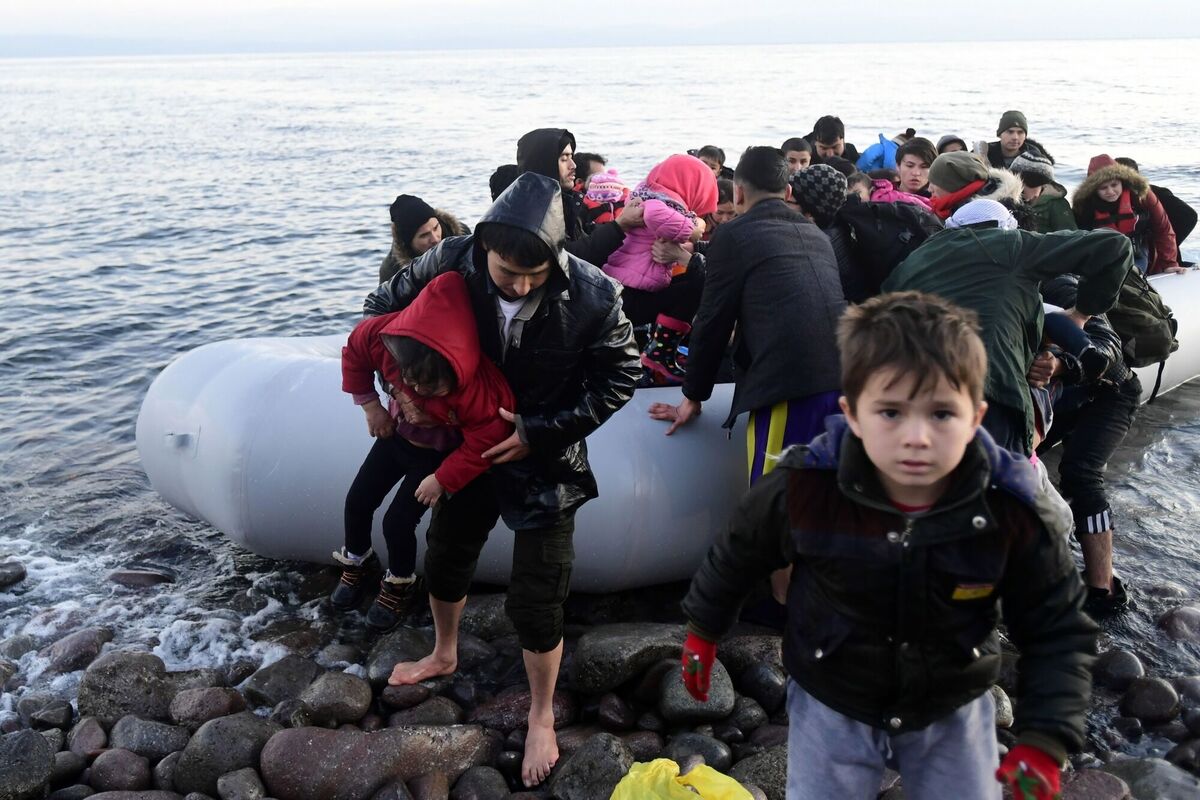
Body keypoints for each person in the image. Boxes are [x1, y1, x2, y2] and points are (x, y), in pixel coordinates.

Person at [679, 291, 1098, 800]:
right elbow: (739, 552)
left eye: (942, 413)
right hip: (833, 694)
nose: (916, 436)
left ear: (976, 415)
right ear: (852, 414)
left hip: (952, 700)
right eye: (891, 412)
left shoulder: (1009, 506)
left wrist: (1045, 737)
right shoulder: (808, 484)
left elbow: (1056, 626)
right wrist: (703, 631)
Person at [365, 172, 640, 788]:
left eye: (533, 275)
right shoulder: (450, 258)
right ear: (484, 243)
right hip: (465, 446)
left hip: (544, 456)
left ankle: (542, 713)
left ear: (557, 258)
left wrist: (542, 429)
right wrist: (398, 391)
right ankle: (443, 651)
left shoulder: (595, 294)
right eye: (505, 270)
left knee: (539, 594)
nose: (517, 284)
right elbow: (380, 309)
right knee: (447, 553)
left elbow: (619, 375)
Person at [649, 147, 845, 485]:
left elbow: (713, 320)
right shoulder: (817, 236)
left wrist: (693, 397)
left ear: (737, 192)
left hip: (788, 387)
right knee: (826, 501)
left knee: (774, 501)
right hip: (846, 385)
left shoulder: (734, 235)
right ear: (787, 193)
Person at [883, 198, 1133, 455]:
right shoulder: (1012, 244)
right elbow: (1114, 245)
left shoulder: (912, 262)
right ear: (1007, 228)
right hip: (988, 399)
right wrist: (1082, 312)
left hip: (906, 402)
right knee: (999, 489)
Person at [336, 272, 516, 630]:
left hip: (436, 457)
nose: (415, 389)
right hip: (396, 439)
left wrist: (444, 479)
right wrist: (371, 405)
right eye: (409, 379)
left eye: (428, 386)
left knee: (398, 521)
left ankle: (399, 582)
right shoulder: (386, 338)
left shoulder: (478, 389)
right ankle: (357, 560)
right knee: (357, 501)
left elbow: (488, 438)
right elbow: (355, 349)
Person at [1037, 275, 1140, 616]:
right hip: (1062, 397)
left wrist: (1063, 364)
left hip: (1109, 392)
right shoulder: (982, 288)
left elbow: (1107, 347)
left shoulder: (1061, 288)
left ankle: (1103, 588)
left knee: (1081, 475)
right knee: (1018, 462)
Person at [602, 154, 718, 381]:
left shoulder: (645, 194)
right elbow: (658, 216)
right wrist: (695, 227)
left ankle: (661, 351)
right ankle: (660, 353)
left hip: (626, 286)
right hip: (632, 293)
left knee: (691, 283)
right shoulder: (657, 203)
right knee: (695, 285)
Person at [516, 128, 645, 269]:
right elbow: (563, 258)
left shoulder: (564, 201)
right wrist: (619, 226)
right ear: (544, 163)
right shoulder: (531, 211)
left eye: (571, 157)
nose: (573, 165)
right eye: (564, 159)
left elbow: (582, 238)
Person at [1073, 154, 1184, 275]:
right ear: (1094, 190)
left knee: (1132, 276)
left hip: (1138, 251)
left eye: (1114, 185)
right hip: (1104, 257)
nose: (1110, 192)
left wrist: (1169, 264)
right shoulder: (1084, 206)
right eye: (1103, 188)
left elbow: (1163, 229)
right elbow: (1079, 243)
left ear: (1122, 182)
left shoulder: (1142, 196)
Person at [1115, 157, 1196, 265]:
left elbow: (1189, 216)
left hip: (1159, 250)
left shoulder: (1155, 195)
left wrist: (1160, 243)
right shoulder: (1111, 194)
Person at [379, 195, 468, 284]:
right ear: (408, 243)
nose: (435, 239)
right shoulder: (392, 272)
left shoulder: (463, 235)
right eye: (424, 235)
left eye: (436, 228)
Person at [925, 151, 1023, 221]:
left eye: (934, 183)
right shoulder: (949, 209)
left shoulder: (985, 220)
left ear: (953, 185)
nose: (929, 189)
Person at [1009, 152, 1076, 233]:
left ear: (1043, 185)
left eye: (1027, 185)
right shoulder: (1003, 199)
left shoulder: (1056, 205)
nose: (1020, 190)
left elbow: (1069, 236)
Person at [979, 110, 1051, 169]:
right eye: (1010, 132)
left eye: (1020, 132)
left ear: (1025, 136)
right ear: (999, 134)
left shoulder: (1034, 156)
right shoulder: (983, 153)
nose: (1015, 137)